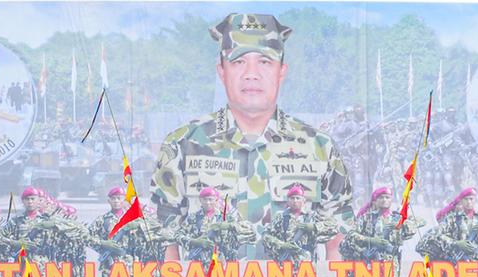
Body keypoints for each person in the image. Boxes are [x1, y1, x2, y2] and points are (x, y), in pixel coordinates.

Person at [150, 13, 353, 227]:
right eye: (238, 61)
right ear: (222, 71)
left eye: (265, 61)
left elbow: (338, 240)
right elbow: (164, 239)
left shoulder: (320, 147)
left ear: (281, 71)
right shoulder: (181, 145)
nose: (251, 74)